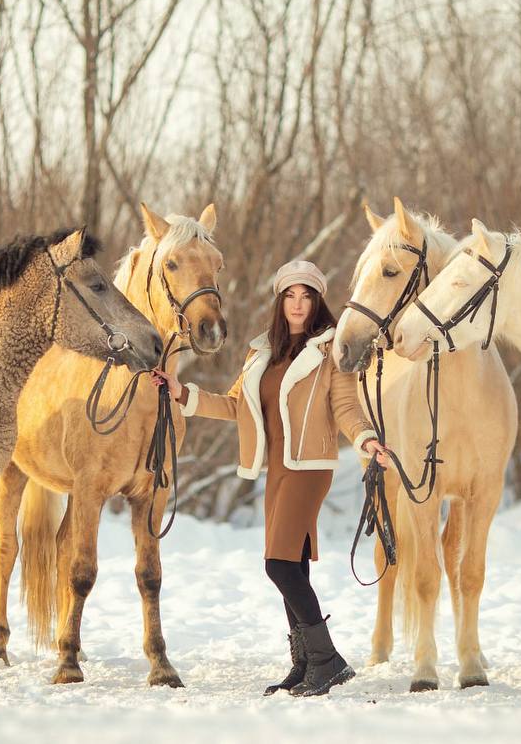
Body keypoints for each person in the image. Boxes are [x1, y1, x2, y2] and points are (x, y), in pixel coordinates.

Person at [152, 259, 393, 697]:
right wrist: (181, 392)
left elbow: (345, 407)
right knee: (293, 564)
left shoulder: (329, 351)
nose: (298, 304)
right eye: (290, 295)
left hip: (311, 466)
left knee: (278, 564)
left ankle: (327, 660)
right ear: (280, 301)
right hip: (278, 467)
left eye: (306, 296)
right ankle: (304, 665)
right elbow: (233, 406)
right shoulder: (262, 351)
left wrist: (367, 440)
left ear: (317, 302)